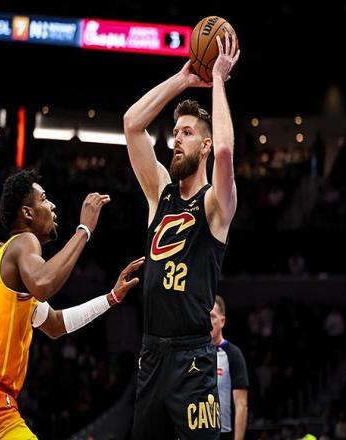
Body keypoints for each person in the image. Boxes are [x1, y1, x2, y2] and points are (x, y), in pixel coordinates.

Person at [0, 169, 144, 440]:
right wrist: (84, 230)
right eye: (43, 199)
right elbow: (44, 282)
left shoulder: (6, 264)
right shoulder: (23, 242)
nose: (52, 205)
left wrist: (110, 298)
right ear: (27, 213)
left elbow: (55, 325)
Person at [124, 31, 240, 440]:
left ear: (204, 145)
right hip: (152, 352)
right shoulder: (160, 192)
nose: (177, 138)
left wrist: (219, 78)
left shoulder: (215, 204)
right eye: (176, 132)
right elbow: (132, 124)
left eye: (187, 133)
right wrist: (184, 78)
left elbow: (225, 152)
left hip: (193, 358)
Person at [210, 295, 249, 440]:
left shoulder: (233, 354)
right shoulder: (194, 354)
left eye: (212, 317)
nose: (208, 322)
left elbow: (241, 404)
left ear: (222, 321)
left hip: (224, 434)